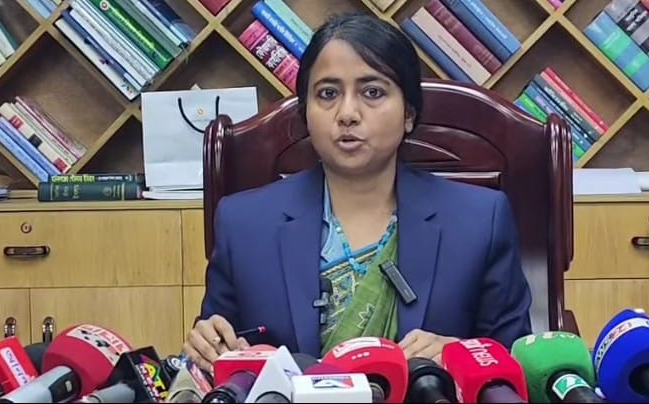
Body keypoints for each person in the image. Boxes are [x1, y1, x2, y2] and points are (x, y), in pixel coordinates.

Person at [183, 11, 532, 372]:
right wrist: (207, 345)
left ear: (408, 114)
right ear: (306, 113)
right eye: (328, 94)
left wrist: (461, 356)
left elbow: (515, 361)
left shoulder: (480, 220)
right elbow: (219, 354)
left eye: (372, 92)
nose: (347, 113)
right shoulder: (243, 224)